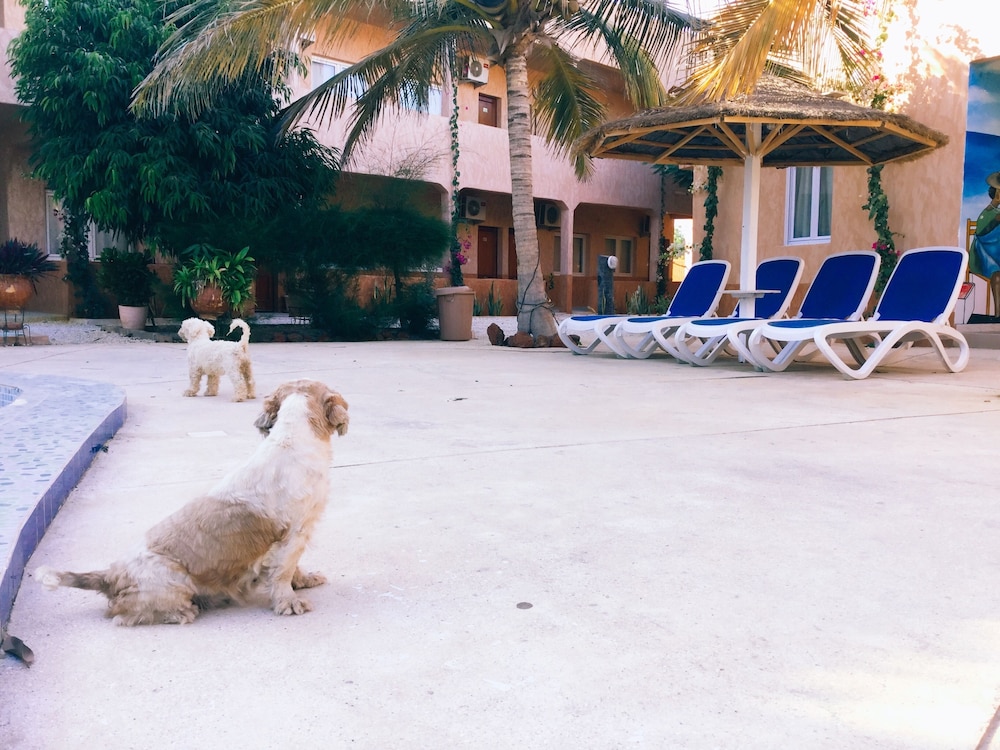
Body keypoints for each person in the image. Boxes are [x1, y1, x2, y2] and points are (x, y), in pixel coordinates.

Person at [970, 171, 1000, 278]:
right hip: (986, 255)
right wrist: (995, 221)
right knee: (997, 276)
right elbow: (981, 233)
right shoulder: (988, 213)